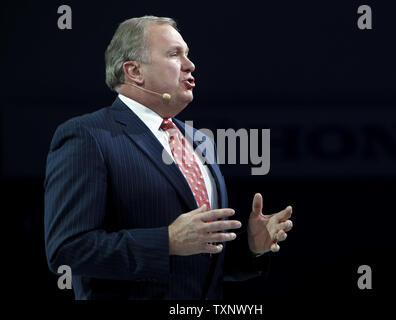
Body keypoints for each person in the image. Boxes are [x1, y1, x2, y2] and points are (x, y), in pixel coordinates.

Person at [44, 16, 293, 300]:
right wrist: (167, 242)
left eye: (187, 54)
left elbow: (197, 264)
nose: (190, 64)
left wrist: (250, 248)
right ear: (134, 71)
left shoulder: (200, 142)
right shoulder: (88, 136)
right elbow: (67, 248)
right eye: (174, 54)